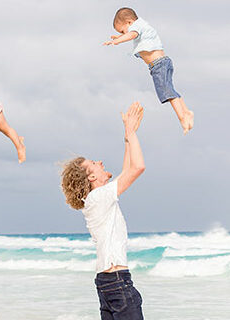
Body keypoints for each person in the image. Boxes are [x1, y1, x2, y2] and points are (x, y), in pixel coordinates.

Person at [61, 102, 147, 319]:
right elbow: (137, 168)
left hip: (107, 282)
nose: (100, 161)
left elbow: (127, 168)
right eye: (94, 163)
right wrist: (129, 131)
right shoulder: (99, 197)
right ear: (91, 177)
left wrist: (129, 134)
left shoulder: (97, 199)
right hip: (117, 281)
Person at [103, 7, 194, 135]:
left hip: (158, 65)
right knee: (171, 90)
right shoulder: (141, 25)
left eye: (123, 31)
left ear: (129, 22)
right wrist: (120, 36)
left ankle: (182, 119)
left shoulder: (137, 27)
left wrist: (117, 41)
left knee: (167, 92)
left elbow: (132, 34)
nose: (125, 34)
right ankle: (186, 112)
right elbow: (131, 34)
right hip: (162, 62)